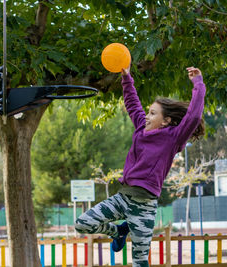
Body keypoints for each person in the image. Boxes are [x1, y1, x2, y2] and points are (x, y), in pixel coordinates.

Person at [75, 66, 206, 267]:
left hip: (144, 207)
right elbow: (132, 103)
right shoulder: (140, 129)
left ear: (166, 121)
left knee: (139, 261)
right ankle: (118, 231)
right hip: (122, 198)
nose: (146, 116)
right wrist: (126, 78)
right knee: (82, 224)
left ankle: (122, 231)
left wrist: (198, 83)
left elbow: (193, 117)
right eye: (148, 112)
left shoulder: (173, 138)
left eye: (153, 113)